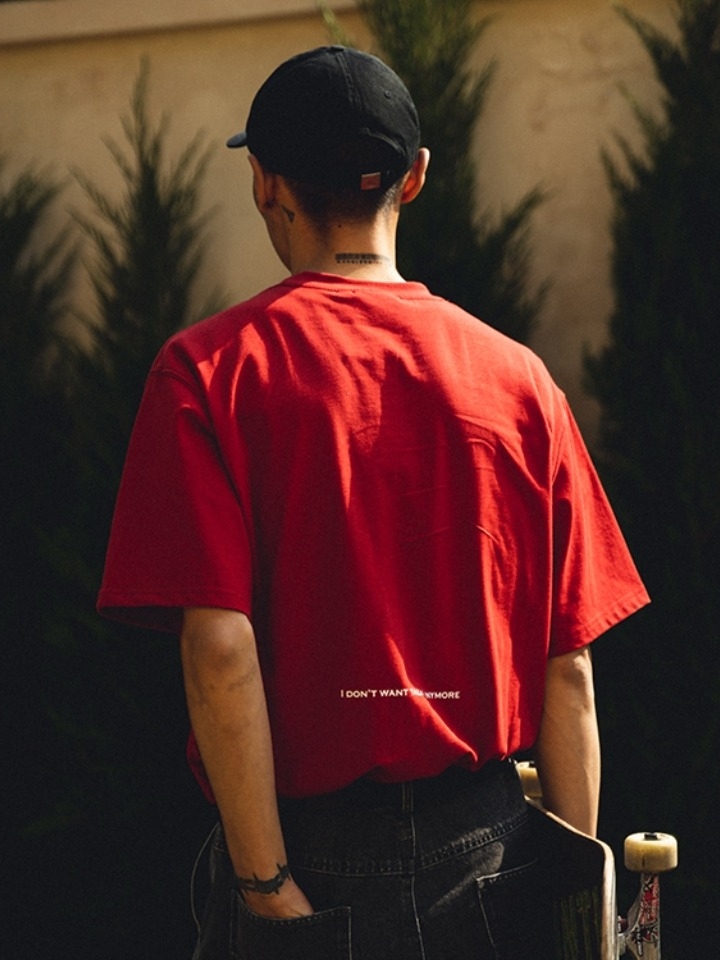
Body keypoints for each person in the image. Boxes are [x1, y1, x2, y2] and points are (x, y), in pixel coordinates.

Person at [98, 45, 650, 960]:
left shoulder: (207, 373)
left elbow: (220, 647)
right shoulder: (522, 382)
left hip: (306, 856)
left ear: (264, 183)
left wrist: (267, 888)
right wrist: (570, 893)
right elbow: (568, 668)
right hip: (494, 850)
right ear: (416, 178)